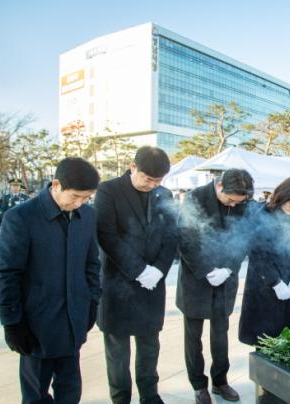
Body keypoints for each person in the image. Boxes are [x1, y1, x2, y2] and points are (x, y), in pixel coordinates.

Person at [0, 157, 101, 403]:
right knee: (36, 395)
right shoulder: (21, 217)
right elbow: (7, 273)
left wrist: (92, 301)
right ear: (56, 185)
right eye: (75, 196)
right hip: (36, 326)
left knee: (70, 391)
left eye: (86, 198)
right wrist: (12, 322)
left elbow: (92, 264)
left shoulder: (87, 215)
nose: (79, 203)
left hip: (73, 322)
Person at [95, 146, 177, 404]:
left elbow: (171, 236)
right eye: (148, 179)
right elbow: (107, 236)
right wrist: (139, 270)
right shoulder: (108, 190)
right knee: (118, 351)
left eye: (158, 180)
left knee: (150, 345)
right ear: (133, 168)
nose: (153, 185)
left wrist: (159, 270)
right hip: (118, 282)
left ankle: (150, 395)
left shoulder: (165, 194)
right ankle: (121, 398)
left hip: (153, 284)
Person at [176, 169, 254, 404]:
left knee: (220, 335)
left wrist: (229, 268)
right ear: (220, 186)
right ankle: (198, 385)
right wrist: (206, 271)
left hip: (225, 278)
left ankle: (220, 381)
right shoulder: (195, 198)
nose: (234, 205)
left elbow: (244, 238)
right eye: (230, 200)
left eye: (238, 202)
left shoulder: (243, 202)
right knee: (193, 337)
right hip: (197, 278)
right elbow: (185, 239)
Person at [239, 176, 290, 345]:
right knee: (265, 339)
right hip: (264, 283)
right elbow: (257, 253)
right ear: (282, 197)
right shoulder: (262, 215)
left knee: (287, 337)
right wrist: (275, 282)